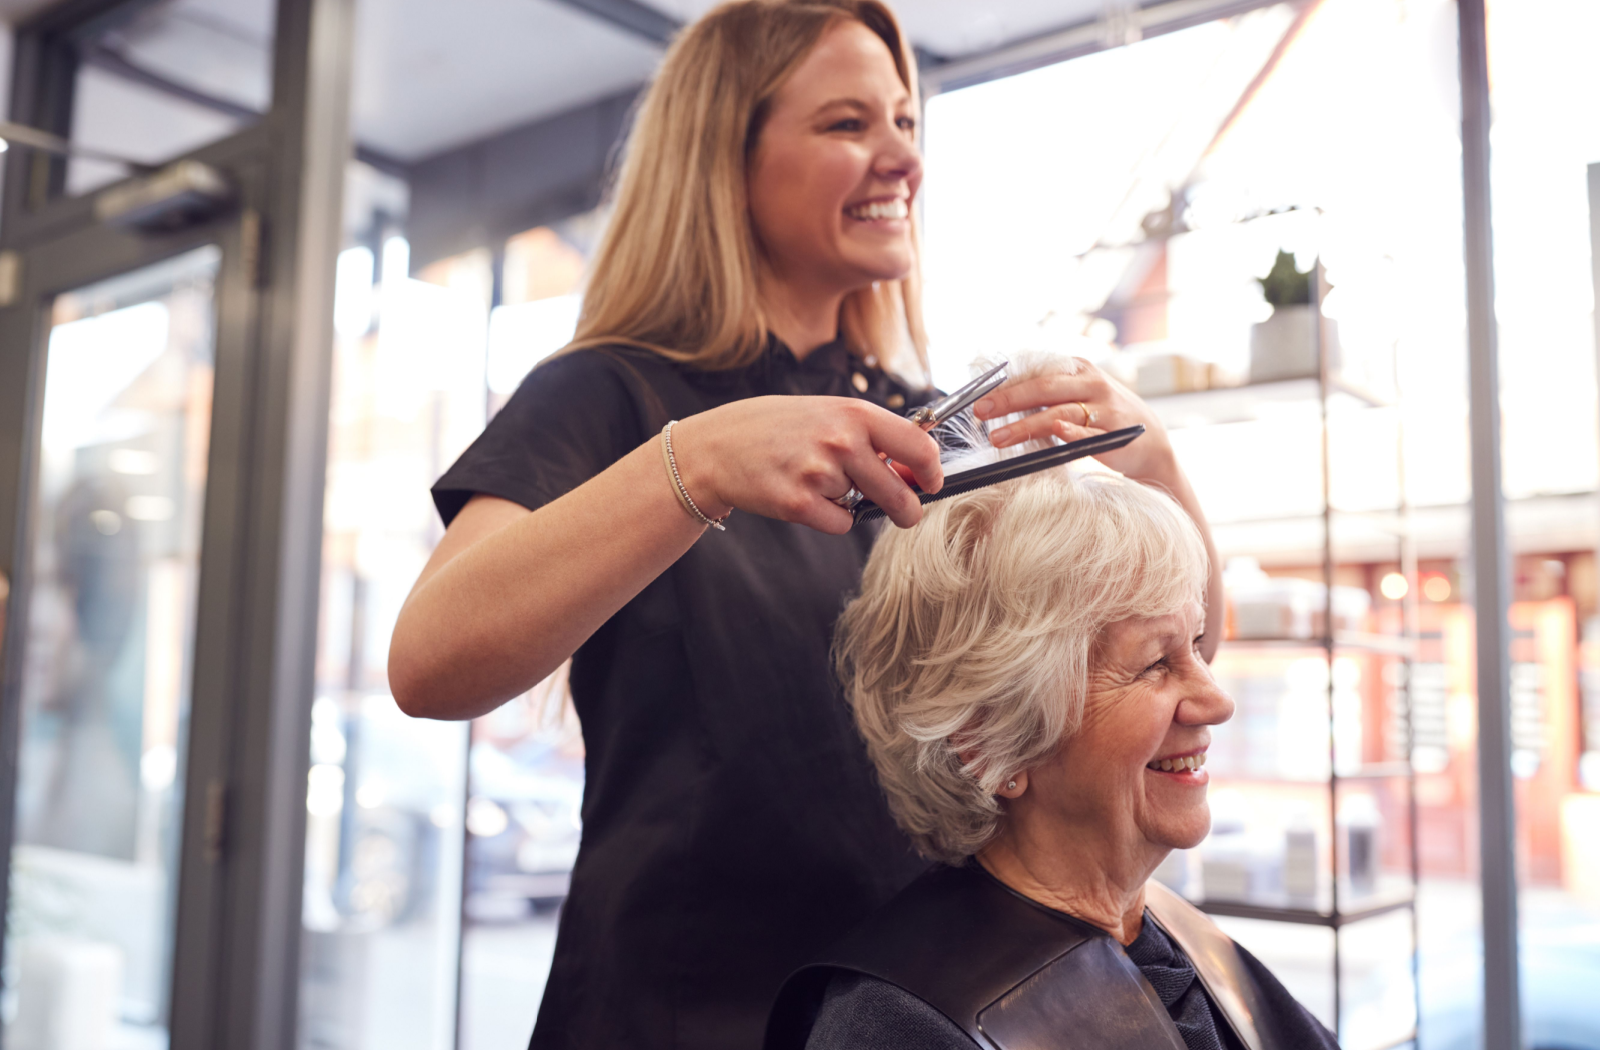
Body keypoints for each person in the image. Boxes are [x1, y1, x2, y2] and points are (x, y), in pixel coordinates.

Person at [388, 2, 1222, 1047]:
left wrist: (1148, 456)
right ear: (724, 158)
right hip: (686, 1017)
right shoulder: (608, 397)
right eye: (847, 125)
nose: (900, 160)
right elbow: (430, 665)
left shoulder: (919, 422)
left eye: (907, 123)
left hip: (919, 1007)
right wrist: (694, 467)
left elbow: (1175, 667)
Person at [765, 444, 1337, 1050]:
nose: (1217, 701)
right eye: (1153, 664)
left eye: (1195, 643)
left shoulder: (1173, 936)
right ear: (990, 743)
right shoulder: (898, 1027)